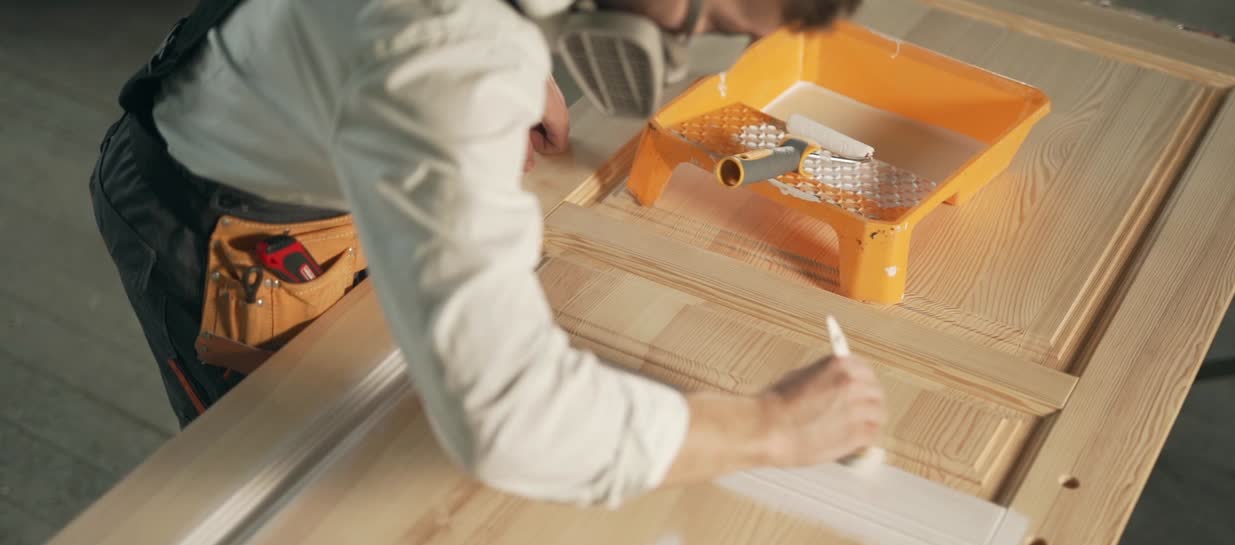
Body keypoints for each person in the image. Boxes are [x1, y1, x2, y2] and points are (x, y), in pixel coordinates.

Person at [90, 0, 883, 508]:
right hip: (233, 221)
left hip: (296, 82)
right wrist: (769, 429)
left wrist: (517, 52)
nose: (683, 42)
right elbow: (506, 417)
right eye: (708, 20)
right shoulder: (445, 60)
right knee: (298, 483)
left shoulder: (447, 59)